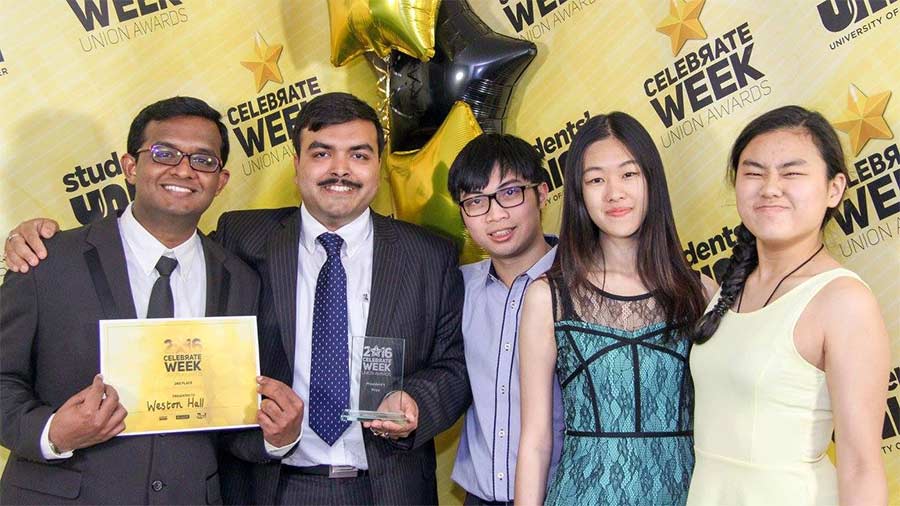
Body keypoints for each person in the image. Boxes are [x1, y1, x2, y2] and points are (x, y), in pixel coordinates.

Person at [5, 92, 470, 505]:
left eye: (359, 155)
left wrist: (417, 403)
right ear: (297, 163)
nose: (340, 170)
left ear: (379, 165)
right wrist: (34, 236)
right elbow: (159, 229)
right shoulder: (243, 240)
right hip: (271, 486)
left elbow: (453, 365)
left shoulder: (430, 254)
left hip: (386, 486)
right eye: (322, 153)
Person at [0, 97, 303, 504]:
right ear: (129, 166)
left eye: (203, 160)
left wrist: (278, 437)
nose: (183, 170)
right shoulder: (46, 260)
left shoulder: (241, 281)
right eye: (164, 153)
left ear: (221, 180)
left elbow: (230, 417)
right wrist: (52, 432)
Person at [687, 106, 889, 505]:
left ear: (834, 189)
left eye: (791, 172)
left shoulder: (844, 300)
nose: (770, 187)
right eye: (754, 172)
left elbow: (862, 467)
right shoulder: (728, 289)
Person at [515, 112, 715, 505]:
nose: (614, 193)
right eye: (595, 180)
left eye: (628, 174)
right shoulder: (548, 297)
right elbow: (536, 440)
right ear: (578, 194)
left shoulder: (701, 293)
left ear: (651, 182)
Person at [446, 134, 565, 506]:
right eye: (476, 201)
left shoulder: (584, 284)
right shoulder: (458, 289)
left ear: (542, 194)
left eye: (510, 193)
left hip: (563, 495)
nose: (495, 215)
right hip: (478, 497)